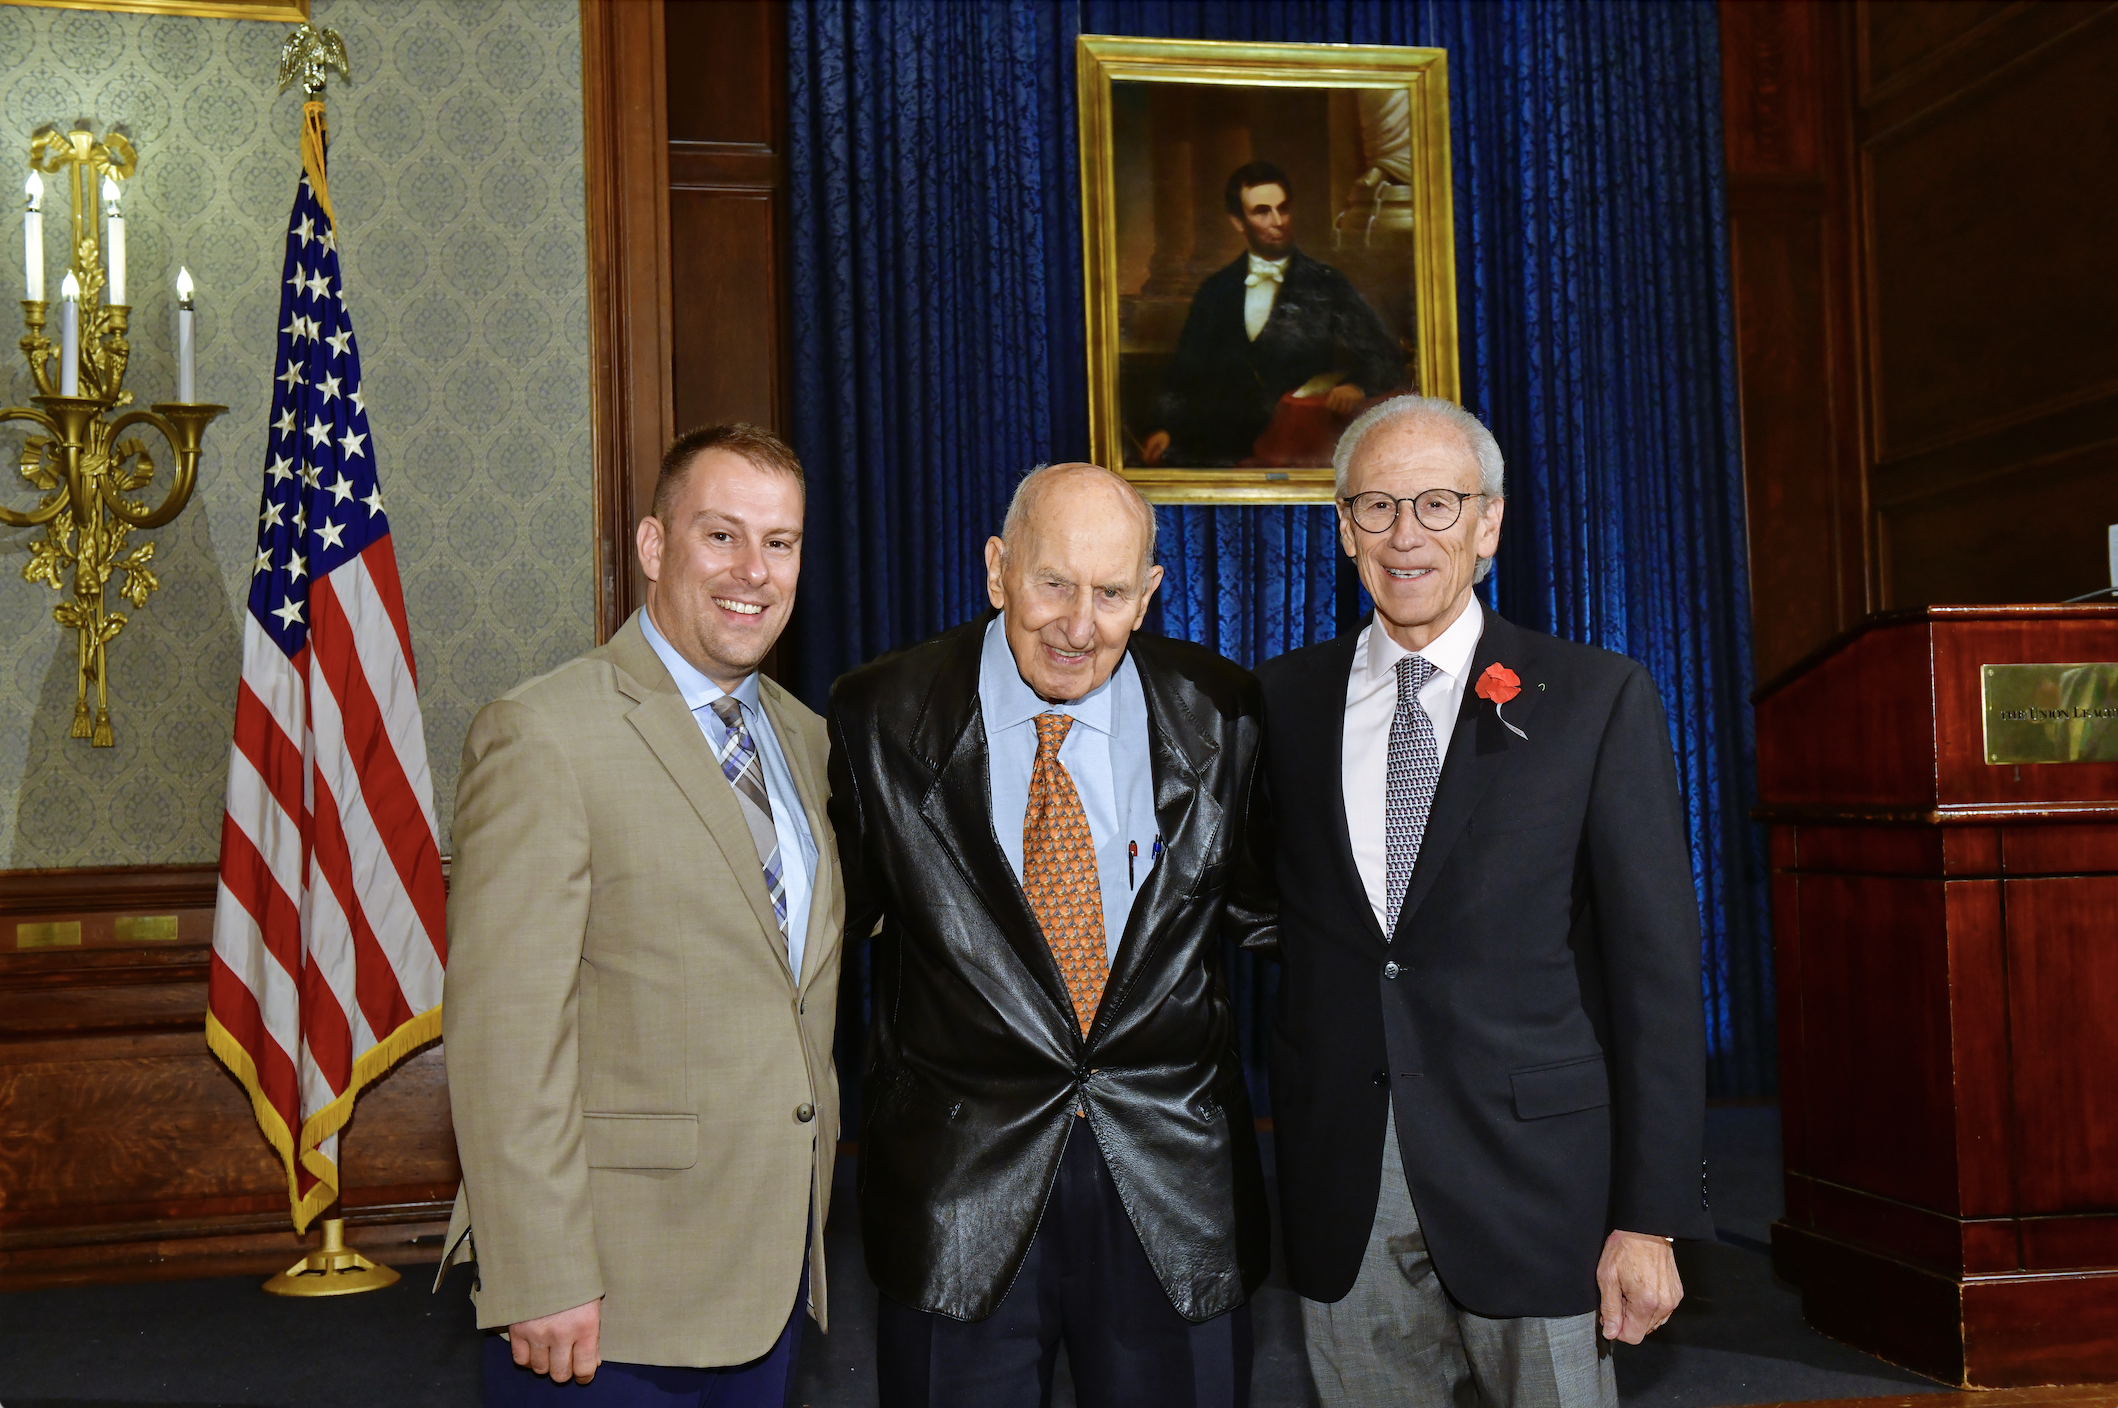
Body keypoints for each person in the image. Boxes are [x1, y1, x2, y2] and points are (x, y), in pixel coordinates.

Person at [1249, 396, 1714, 1406]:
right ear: (1342, 528)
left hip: (1536, 1186)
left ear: (1489, 524)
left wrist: (1650, 1215)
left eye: (1437, 503)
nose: (1406, 534)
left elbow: (1658, 978)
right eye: (1376, 506)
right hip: (1344, 1186)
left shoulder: (1595, 697)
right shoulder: (1280, 701)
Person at [827, 462, 1271, 1407]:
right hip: (961, 1195)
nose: (1078, 626)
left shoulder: (1223, 713)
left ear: (1148, 596)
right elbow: (837, 933)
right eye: (1053, 583)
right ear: (997, 571)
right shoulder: (879, 718)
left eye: (1111, 593)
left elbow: (1275, 921)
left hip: (1171, 1189)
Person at [440, 423, 842, 1404]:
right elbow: (503, 1032)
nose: (754, 570)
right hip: (603, 1300)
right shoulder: (544, 734)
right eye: (722, 536)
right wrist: (542, 1270)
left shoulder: (806, 738)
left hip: (767, 1273)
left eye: (780, 542)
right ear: (654, 547)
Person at [1141, 161, 1403, 468]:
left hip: (1299, 453)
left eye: (1283, 209)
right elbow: (1182, 377)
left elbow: (1385, 355)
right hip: (1220, 453)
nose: (1277, 221)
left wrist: (1358, 386)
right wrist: (1165, 428)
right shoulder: (1215, 291)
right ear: (1238, 222)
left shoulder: (1327, 284)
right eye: (1262, 211)